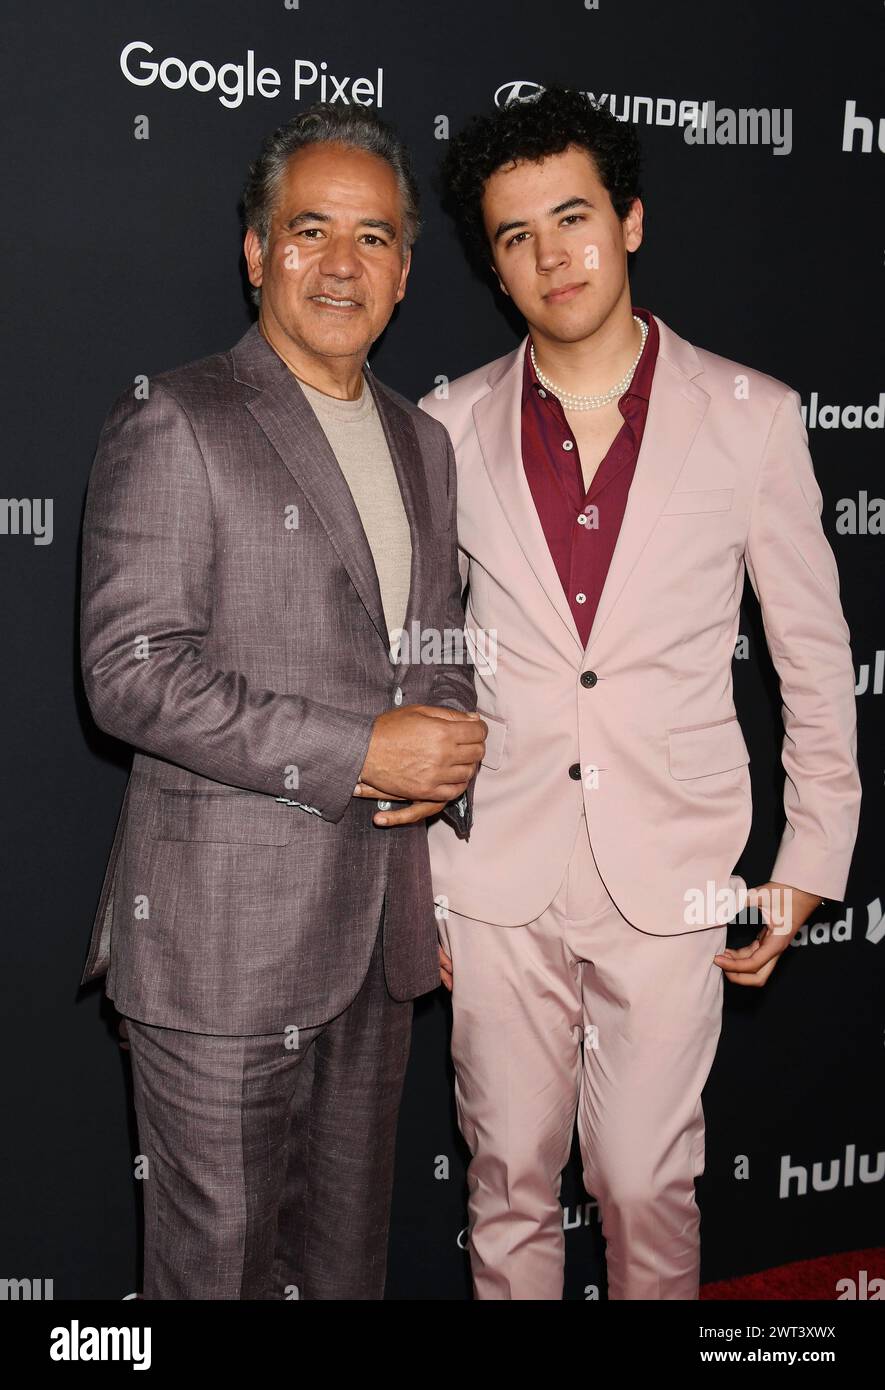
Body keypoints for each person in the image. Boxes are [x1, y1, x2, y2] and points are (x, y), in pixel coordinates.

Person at [418, 85, 861, 1300]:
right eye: (517, 236)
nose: (553, 255)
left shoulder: (751, 418)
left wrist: (811, 853)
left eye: (573, 217)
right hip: (497, 874)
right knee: (506, 1176)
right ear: (495, 268)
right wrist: (424, 876)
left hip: (676, 865)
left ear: (632, 221)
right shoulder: (445, 428)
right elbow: (419, 658)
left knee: (643, 1182)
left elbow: (813, 655)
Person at [79, 102, 483, 1300]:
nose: (342, 264)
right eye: (311, 230)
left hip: (375, 945)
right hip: (219, 954)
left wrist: (450, 742)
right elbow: (131, 671)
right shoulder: (179, 417)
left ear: (406, 272)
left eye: (373, 238)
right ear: (257, 250)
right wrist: (366, 750)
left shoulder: (425, 443)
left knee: (344, 1274)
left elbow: (435, 641)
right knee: (214, 1278)